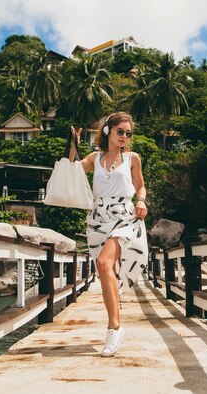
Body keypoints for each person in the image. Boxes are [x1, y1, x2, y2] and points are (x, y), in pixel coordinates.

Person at [70, 111, 148, 357]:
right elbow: (72, 169)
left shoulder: (132, 158)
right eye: (120, 131)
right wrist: (73, 144)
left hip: (124, 215)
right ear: (108, 131)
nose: (125, 136)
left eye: (128, 133)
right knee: (107, 272)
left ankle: (114, 328)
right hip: (98, 218)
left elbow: (140, 185)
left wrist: (142, 201)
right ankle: (115, 321)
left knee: (104, 264)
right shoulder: (95, 158)